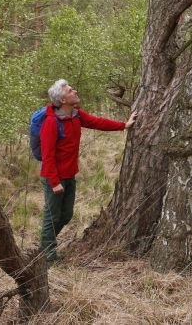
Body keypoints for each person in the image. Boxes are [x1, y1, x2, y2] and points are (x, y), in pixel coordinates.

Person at [39, 79, 137, 263]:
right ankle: (48, 256)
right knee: (52, 217)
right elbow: (47, 156)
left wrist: (123, 125)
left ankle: (46, 244)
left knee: (66, 215)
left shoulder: (76, 115)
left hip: (69, 175)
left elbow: (97, 122)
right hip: (54, 178)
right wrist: (54, 182)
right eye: (70, 90)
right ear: (63, 100)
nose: (74, 90)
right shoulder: (51, 123)